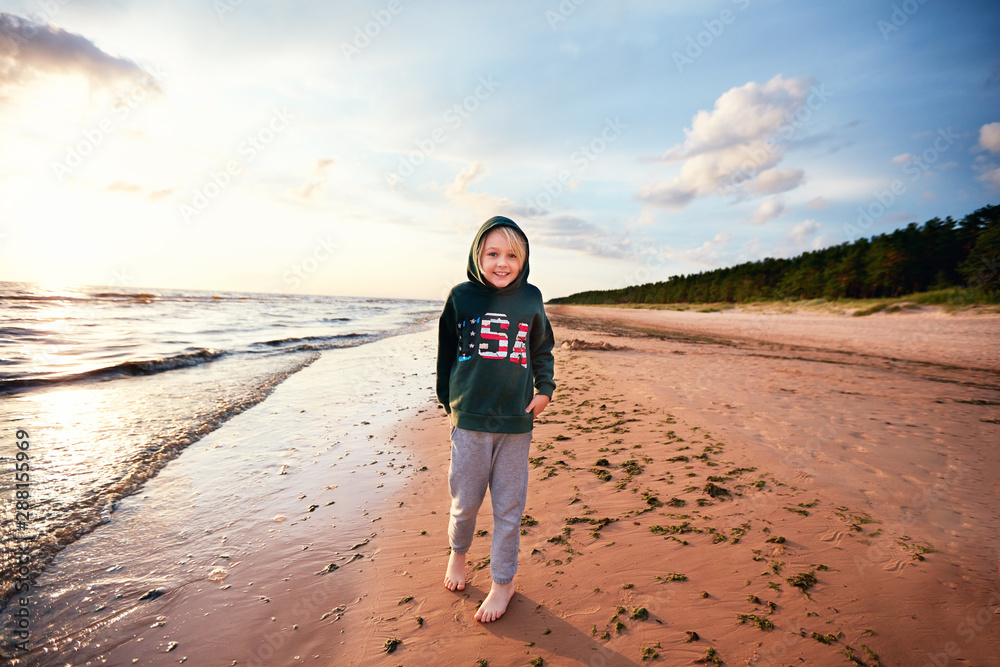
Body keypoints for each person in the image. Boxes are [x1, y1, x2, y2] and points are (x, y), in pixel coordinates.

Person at [436, 215, 556, 623]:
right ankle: (458, 555)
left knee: (509, 507)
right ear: (478, 255)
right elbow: (446, 352)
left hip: (515, 424)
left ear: (523, 261)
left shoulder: (531, 298)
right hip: (468, 421)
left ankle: (503, 583)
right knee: (464, 503)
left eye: (512, 256)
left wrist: (544, 390)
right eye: (493, 254)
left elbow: (542, 349)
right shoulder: (461, 297)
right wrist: (446, 400)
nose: (502, 263)